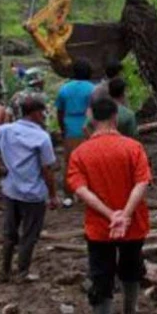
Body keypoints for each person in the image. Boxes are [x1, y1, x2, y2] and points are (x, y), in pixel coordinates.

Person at [66, 96, 152, 314]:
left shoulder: (80, 154)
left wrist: (110, 215)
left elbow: (81, 191)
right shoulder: (133, 148)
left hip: (100, 227)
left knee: (101, 273)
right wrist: (124, 215)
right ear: (115, 117)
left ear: (91, 118)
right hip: (133, 225)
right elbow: (141, 183)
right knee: (132, 268)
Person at [0, 95, 57, 282]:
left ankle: (4, 271)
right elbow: (47, 169)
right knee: (29, 234)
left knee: (9, 233)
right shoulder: (41, 137)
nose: (44, 116)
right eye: (43, 112)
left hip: (11, 190)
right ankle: (22, 272)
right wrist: (53, 195)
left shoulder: (6, 130)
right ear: (36, 113)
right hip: (33, 194)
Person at [55, 59, 95, 206]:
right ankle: (89, 193)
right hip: (87, 126)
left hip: (69, 126)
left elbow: (59, 111)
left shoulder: (64, 89)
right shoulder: (93, 88)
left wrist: (62, 128)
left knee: (70, 162)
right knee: (89, 162)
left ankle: (68, 195)